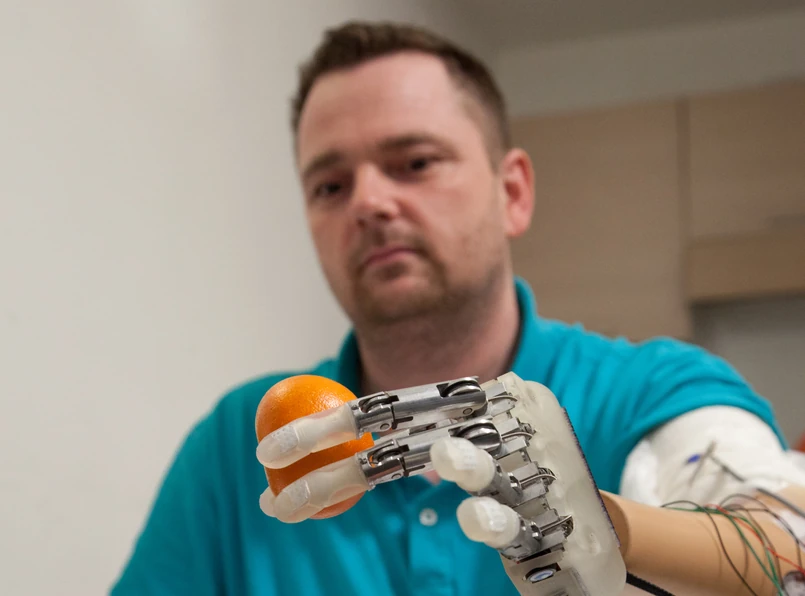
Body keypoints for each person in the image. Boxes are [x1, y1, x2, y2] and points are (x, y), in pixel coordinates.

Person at [111, 21, 801, 596]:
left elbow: (786, 540)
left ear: (512, 193)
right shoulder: (245, 445)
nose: (368, 202)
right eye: (330, 185)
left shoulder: (653, 391)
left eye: (414, 162)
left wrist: (608, 527)